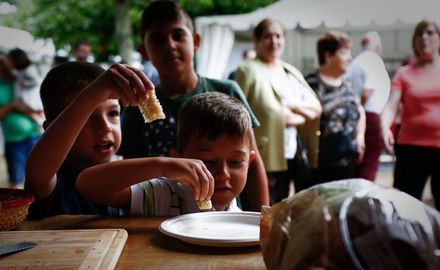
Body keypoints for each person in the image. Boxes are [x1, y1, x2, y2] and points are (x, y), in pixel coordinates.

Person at [119, 0, 269, 211]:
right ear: (144, 51)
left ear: (196, 41)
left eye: (178, 35)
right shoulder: (137, 105)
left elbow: (252, 162)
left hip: (224, 215)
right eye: (158, 39)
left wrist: (263, 217)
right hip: (160, 214)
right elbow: (129, 170)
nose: (170, 45)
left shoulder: (227, 91)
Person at [25, 62, 214, 218]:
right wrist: (95, 92)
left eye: (113, 113)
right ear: (52, 129)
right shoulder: (52, 178)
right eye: (87, 117)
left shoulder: (125, 176)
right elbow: (37, 173)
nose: (106, 127)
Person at [78, 92, 254, 215]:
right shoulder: (165, 194)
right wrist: (162, 166)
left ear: (249, 161)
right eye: (207, 161)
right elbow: (87, 185)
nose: (223, 174)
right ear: (179, 159)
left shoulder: (234, 211)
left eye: (236, 162)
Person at [235, 19, 322, 204]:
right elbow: (238, 110)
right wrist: (288, 113)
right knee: (268, 205)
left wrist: (292, 108)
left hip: (294, 149)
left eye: (278, 36)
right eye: (268, 36)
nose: (274, 41)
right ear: (257, 40)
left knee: (298, 202)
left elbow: (315, 108)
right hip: (266, 151)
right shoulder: (247, 70)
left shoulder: (289, 71)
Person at [381, 20, 440, 209]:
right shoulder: (404, 73)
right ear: (414, 41)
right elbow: (391, 105)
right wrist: (384, 127)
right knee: (405, 207)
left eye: (430, 33)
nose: (424, 37)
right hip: (411, 149)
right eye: (419, 34)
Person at [305, 31, 366, 182]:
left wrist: (360, 136)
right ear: (329, 56)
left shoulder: (347, 84)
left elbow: (360, 110)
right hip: (319, 168)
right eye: (344, 52)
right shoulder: (310, 84)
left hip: (347, 162)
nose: (350, 58)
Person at [0, 51, 41, 189]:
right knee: (16, 183)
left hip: (37, 135)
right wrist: (12, 105)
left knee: (44, 178)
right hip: (14, 142)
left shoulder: (25, 78)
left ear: (10, 62)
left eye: (2, 62)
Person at [346, 31, 391, 181]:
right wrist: (361, 112)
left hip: (358, 115)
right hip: (369, 115)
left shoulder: (354, 62)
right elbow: (367, 92)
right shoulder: (373, 61)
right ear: (377, 47)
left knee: (358, 161)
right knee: (369, 163)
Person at [7, 48, 44, 125]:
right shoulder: (21, 70)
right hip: (24, 99)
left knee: (35, 114)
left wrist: (25, 83)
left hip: (29, 99)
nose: (9, 63)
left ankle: (41, 123)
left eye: (10, 61)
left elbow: (37, 81)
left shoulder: (29, 70)